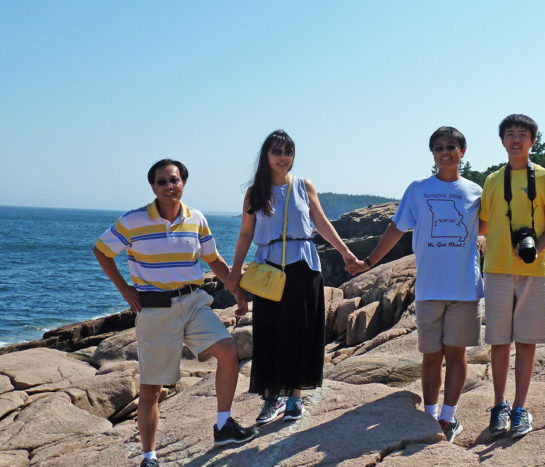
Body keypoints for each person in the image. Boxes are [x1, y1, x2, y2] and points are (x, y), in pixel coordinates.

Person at [93, 159, 256, 467]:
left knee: (228, 350)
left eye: (175, 180)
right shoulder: (133, 221)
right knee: (152, 388)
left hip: (193, 301)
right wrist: (125, 290)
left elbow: (213, 259)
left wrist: (236, 291)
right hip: (155, 309)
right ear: (153, 187)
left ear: (184, 183)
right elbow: (101, 251)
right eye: (162, 181)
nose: (169, 186)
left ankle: (223, 426)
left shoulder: (196, 218)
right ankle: (150, 457)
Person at [347, 126, 483, 443]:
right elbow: (396, 228)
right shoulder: (419, 190)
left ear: (462, 151)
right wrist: (368, 263)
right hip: (430, 289)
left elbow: (491, 228)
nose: (445, 152)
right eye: (438, 147)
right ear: (432, 154)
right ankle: (431, 416)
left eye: (451, 146)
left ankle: (449, 418)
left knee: (457, 354)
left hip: (464, 288)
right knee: (432, 355)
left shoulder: (477, 192)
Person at [225, 130, 360, 426]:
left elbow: (321, 223)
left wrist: (346, 253)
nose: (283, 158)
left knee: (303, 330)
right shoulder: (255, 192)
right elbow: (246, 233)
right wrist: (235, 271)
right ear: (266, 155)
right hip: (269, 268)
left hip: (303, 265)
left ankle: (295, 397)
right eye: (277, 152)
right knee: (270, 332)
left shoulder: (303, 186)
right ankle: (272, 398)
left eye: (288, 152)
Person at [479, 114, 545, 438]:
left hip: (533, 271)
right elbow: (483, 224)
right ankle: (499, 406)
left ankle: (519, 408)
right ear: (502, 141)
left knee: (527, 341)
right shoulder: (492, 181)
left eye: (522, 134)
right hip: (497, 268)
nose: (516, 139)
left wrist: (537, 248)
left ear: (532, 141)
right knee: (499, 341)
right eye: (510, 134)